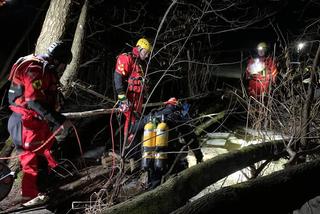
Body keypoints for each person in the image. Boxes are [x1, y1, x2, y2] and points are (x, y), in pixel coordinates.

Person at [7, 40, 73, 206]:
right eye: (63, 65)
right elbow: (34, 101)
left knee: (46, 153)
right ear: (57, 61)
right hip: (25, 122)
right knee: (32, 159)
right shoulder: (35, 70)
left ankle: (41, 190)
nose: (62, 70)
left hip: (35, 121)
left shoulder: (44, 70)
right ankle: (31, 197)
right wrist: (59, 120)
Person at [129, 97, 203, 189]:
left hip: (151, 156)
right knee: (180, 184)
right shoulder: (177, 116)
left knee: (154, 183)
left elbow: (134, 129)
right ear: (177, 106)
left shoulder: (152, 115)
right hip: (171, 157)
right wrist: (198, 155)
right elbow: (190, 136)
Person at [113, 38, 152, 146]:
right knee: (132, 122)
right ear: (139, 48)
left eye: (148, 53)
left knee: (136, 121)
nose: (147, 56)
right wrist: (121, 96)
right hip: (127, 97)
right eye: (146, 52)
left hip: (137, 100)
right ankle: (128, 147)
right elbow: (118, 76)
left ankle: (133, 148)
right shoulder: (127, 58)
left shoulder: (139, 64)